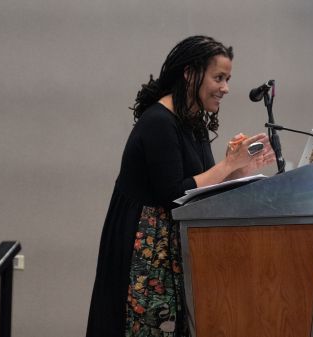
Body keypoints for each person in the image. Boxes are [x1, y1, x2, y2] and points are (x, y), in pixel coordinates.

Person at [86, 35, 275, 337]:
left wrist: (241, 169)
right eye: (219, 78)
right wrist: (227, 164)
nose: (225, 88)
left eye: (227, 79)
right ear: (190, 73)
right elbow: (175, 193)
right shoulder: (158, 121)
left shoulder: (193, 122)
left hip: (174, 248)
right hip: (145, 253)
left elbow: (200, 189)